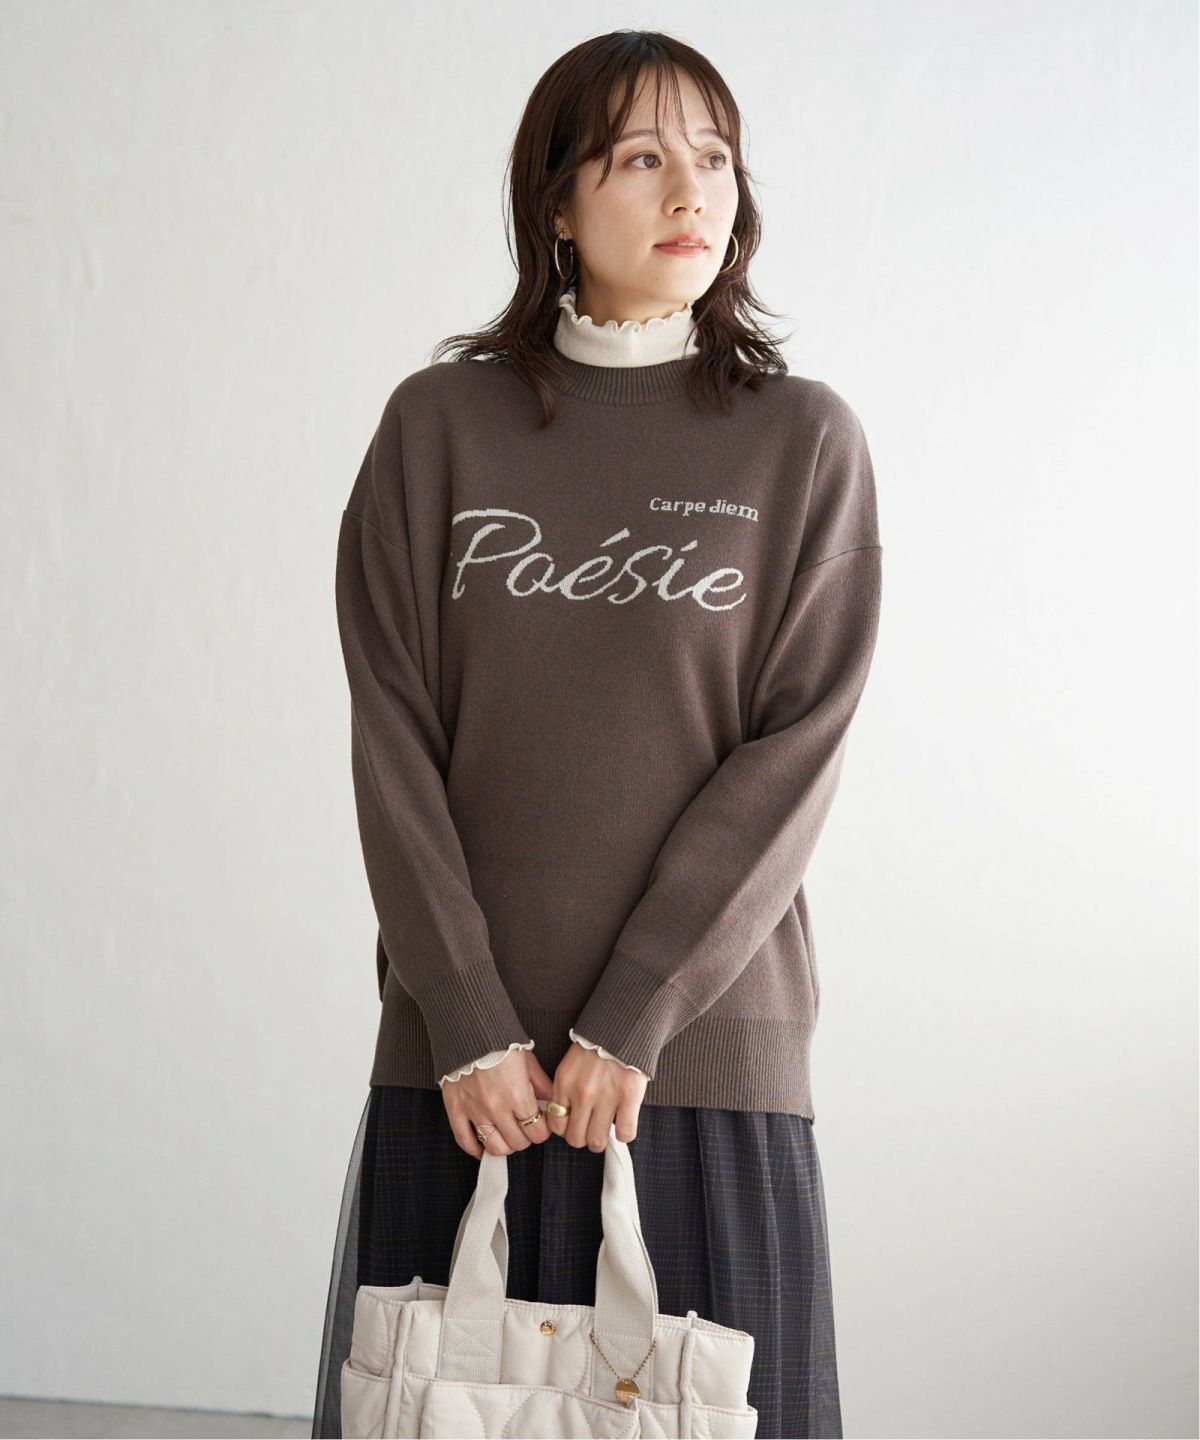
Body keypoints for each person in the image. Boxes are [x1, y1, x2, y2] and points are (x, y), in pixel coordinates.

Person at [311, 29, 882, 1440]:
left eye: (715, 157)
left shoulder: (800, 441)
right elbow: (393, 742)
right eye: (639, 158)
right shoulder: (439, 429)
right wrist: (465, 1020)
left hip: (701, 1057)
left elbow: (793, 755)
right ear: (556, 203)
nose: (692, 191)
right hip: (471, 1076)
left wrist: (634, 1018)